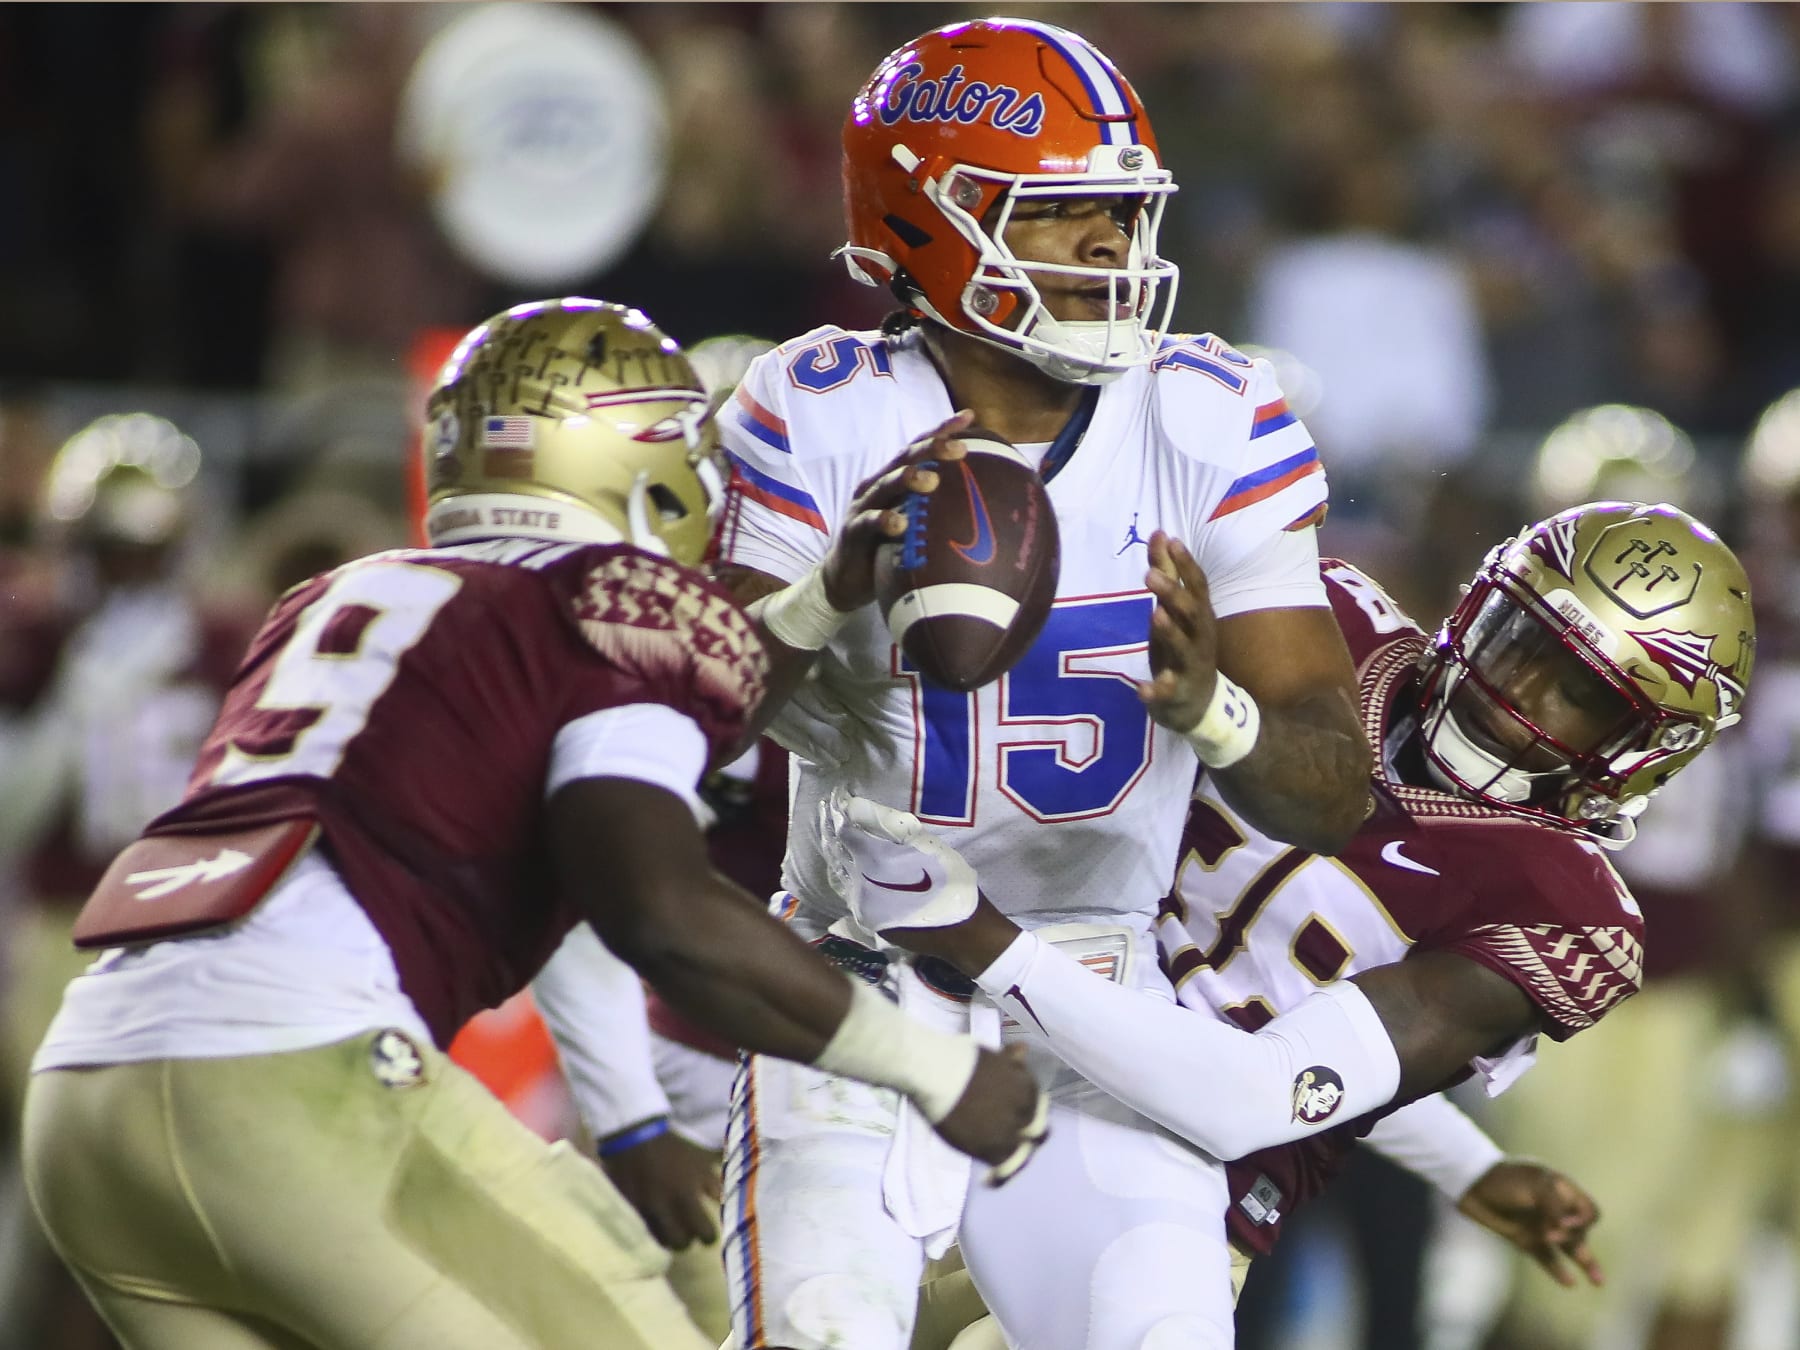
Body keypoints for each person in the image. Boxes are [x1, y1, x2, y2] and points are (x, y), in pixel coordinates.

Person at [19, 298, 1046, 1350]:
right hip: (291, 1080)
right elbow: (657, 907)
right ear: (638, 464)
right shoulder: (609, 606)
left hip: (87, 1102)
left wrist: (821, 596)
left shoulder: (342, 596)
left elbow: (574, 868)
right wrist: (934, 1070)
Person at [712, 17, 1373, 1350]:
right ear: (929, 221)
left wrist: (1212, 710)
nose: (1109, 248)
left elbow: (1330, 790)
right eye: (1063, 213)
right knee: (827, 1331)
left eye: (1121, 214)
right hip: (857, 981)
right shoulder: (819, 407)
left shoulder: (1209, 415)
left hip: (1096, 994)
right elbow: (695, 715)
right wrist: (826, 591)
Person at [830, 500, 1755, 1346]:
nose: (1517, 696)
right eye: (1522, 640)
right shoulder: (1331, 630)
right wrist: (1465, 1163)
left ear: (1648, 750)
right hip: (973, 1059)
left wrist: (983, 939)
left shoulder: (1561, 907)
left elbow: (1260, 1083)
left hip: (1167, 1191)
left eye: (1583, 695)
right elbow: (1269, 1002)